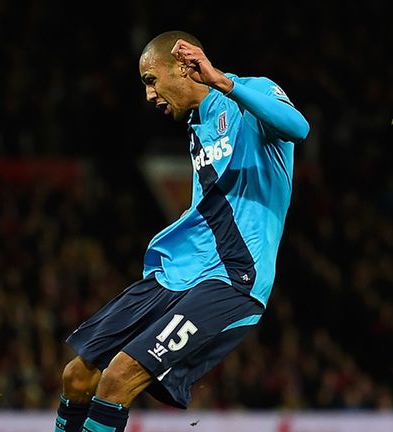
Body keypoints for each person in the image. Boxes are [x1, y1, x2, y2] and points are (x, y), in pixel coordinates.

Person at [53, 30, 309, 432]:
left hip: (233, 278)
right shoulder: (196, 127)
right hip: (179, 274)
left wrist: (224, 80)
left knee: (119, 377)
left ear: (185, 67)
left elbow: (298, 128)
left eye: (151, 80)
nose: (149, 96)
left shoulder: (249, 93)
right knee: (77, 375)